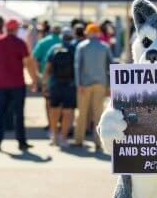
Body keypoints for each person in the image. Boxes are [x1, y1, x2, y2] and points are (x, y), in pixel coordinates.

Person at [0, 18, 38, 151]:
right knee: (19, 114)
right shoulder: (19, 43)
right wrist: (34, 80)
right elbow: (28, 63)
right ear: (16, 29)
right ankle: (21, 142)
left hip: (1, 84)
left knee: (0, 113)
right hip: (17, 83)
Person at [73, 23, 113, 151]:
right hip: (101, 84)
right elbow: (110, 67)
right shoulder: (105, 47)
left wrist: (78, 83)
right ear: (98, 33)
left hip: (84, 85)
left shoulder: (82, 46)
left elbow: (77, 66)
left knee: (82, 114)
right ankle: (98, 143)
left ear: (87, 33)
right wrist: (109, 85)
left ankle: (79, 140)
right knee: (99, 115)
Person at [42, 26, 76, 147]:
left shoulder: (54, 48)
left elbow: (47, 68)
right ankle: (64, 137)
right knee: (68, 112)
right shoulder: (74, 49)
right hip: (70, 85)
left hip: (54, 84)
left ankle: (53, 135)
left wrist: (44, 84)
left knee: (54, 110)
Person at [33, 24, 62, 130]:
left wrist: (38, 73)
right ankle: (61, 124)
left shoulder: (43, 42)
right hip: (64, 77)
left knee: (48, 101)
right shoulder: (64, 42)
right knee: (62, 102)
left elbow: (34, 58)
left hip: (47, 76)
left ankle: (51, 124)